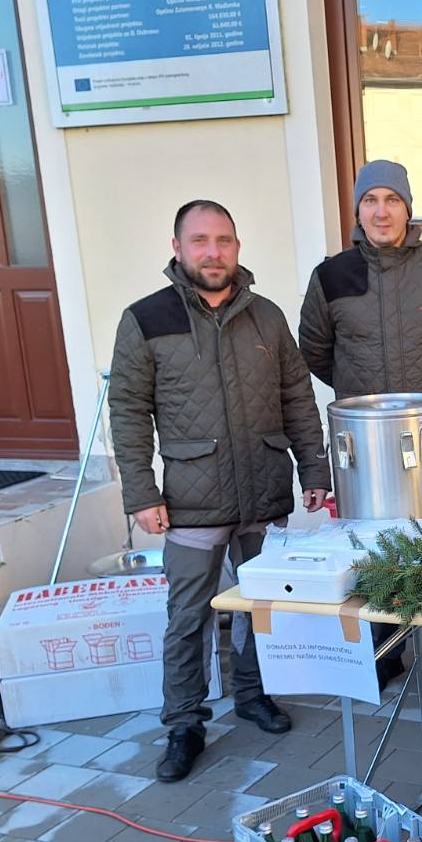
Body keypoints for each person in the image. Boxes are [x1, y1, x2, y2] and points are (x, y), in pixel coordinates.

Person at [109, 200, 331, 782]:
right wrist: (141, 492)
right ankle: (184, 722)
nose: (214, 252)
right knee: (188, 615)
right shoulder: (146, 319)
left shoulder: (267, 317)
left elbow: (298, 400)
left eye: (224, 241)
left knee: (259, 607)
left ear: (237, 247)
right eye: (201, 241)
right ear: (177, 247)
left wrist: (315, 471)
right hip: (189, 499)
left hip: (261, 488)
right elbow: (128, 412)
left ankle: (253, 696)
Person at [298, 160, 422, 694]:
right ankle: (382, 654)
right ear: (357, 209)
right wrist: (360, 397)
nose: (381, 211)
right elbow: (314, 349)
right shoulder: (331, 275)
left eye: (392, 199)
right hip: (366, 445)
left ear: (408, 207)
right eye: (370, 200)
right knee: (373, 550)